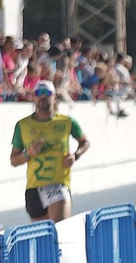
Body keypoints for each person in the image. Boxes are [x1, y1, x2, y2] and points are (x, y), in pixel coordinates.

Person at [11, 80, 88, 221]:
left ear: (55, 98)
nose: (43, 97)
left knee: (58, 232)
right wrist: (29, 153)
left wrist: (75, 156)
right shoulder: (22, 125)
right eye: (39, 93)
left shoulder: (66, 122)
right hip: (33, 188)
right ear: (34, 97)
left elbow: (85, 142)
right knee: (41, 238)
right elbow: (14, 160)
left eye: (47, 93)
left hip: (58, 184)